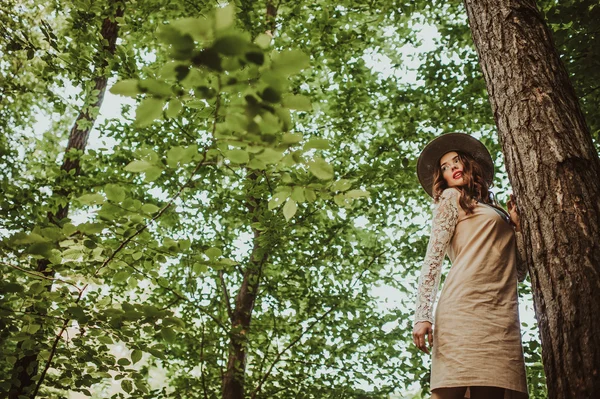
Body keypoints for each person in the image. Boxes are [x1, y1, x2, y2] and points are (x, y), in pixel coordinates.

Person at [412, 133, 529, 399]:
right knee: (449, 391)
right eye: (444, 167)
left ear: (469, 164)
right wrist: (422, 315)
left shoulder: (496, 209)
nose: (451, 168)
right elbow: (433, 256)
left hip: (501, 312)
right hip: (463, 306)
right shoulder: (451, 198)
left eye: (456, 161)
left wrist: (518, 229)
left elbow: (519, 272)